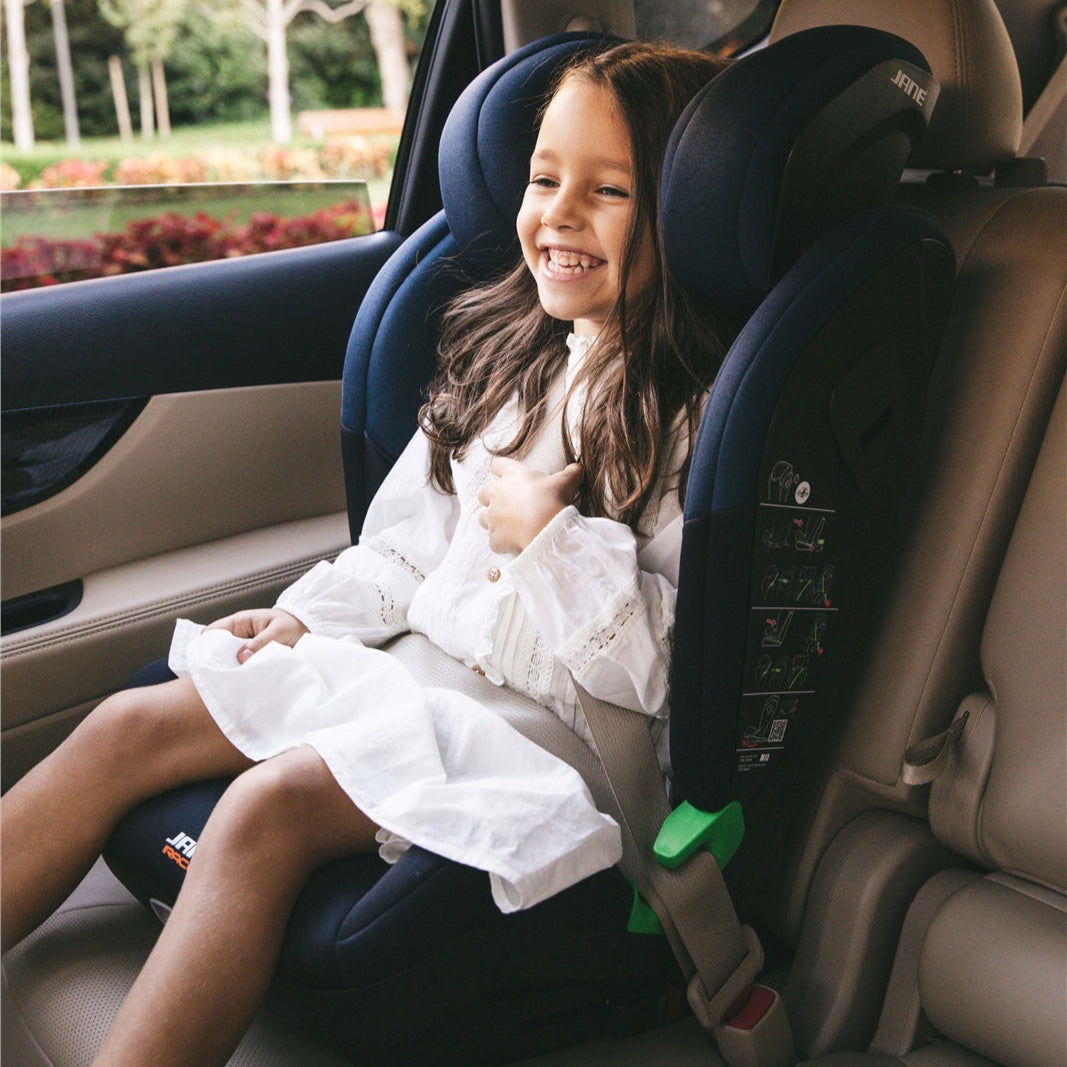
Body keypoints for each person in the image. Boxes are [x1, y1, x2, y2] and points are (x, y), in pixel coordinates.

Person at [0, 41, 731, 1066]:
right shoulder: (507, 361)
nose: (558, 214)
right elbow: (400, 550)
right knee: (132, 720)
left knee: (267, 805)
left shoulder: (698, 421)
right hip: (406, 681)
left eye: (607, 191)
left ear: (685, 215)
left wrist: (551, 544)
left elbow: (662, 678)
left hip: (543, 745)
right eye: (541, 179)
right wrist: (309, 616)